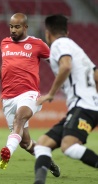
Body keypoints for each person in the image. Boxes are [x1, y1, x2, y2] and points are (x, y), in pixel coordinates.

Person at [33, 14, 98, 184]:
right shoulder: (76, 48)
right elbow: (96, 73)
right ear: (67, 31)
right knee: (42, 144)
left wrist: (51, 93)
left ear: (47, 33)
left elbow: (66, 65)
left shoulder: (59, 44)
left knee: (68, 147)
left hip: (83, 106)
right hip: (86, 105)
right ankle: (39, 182)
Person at [0, 13, 60, 177]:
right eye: (11, 26)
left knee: (20, 117)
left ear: (25, 27)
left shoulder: (37, 44)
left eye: (17, 26)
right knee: (25, 143)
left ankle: (7, 151)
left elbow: (56, 63)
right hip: (7, 97)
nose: (13, 30)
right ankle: (46, 160)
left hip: (29, 93)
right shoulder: (4, 43)